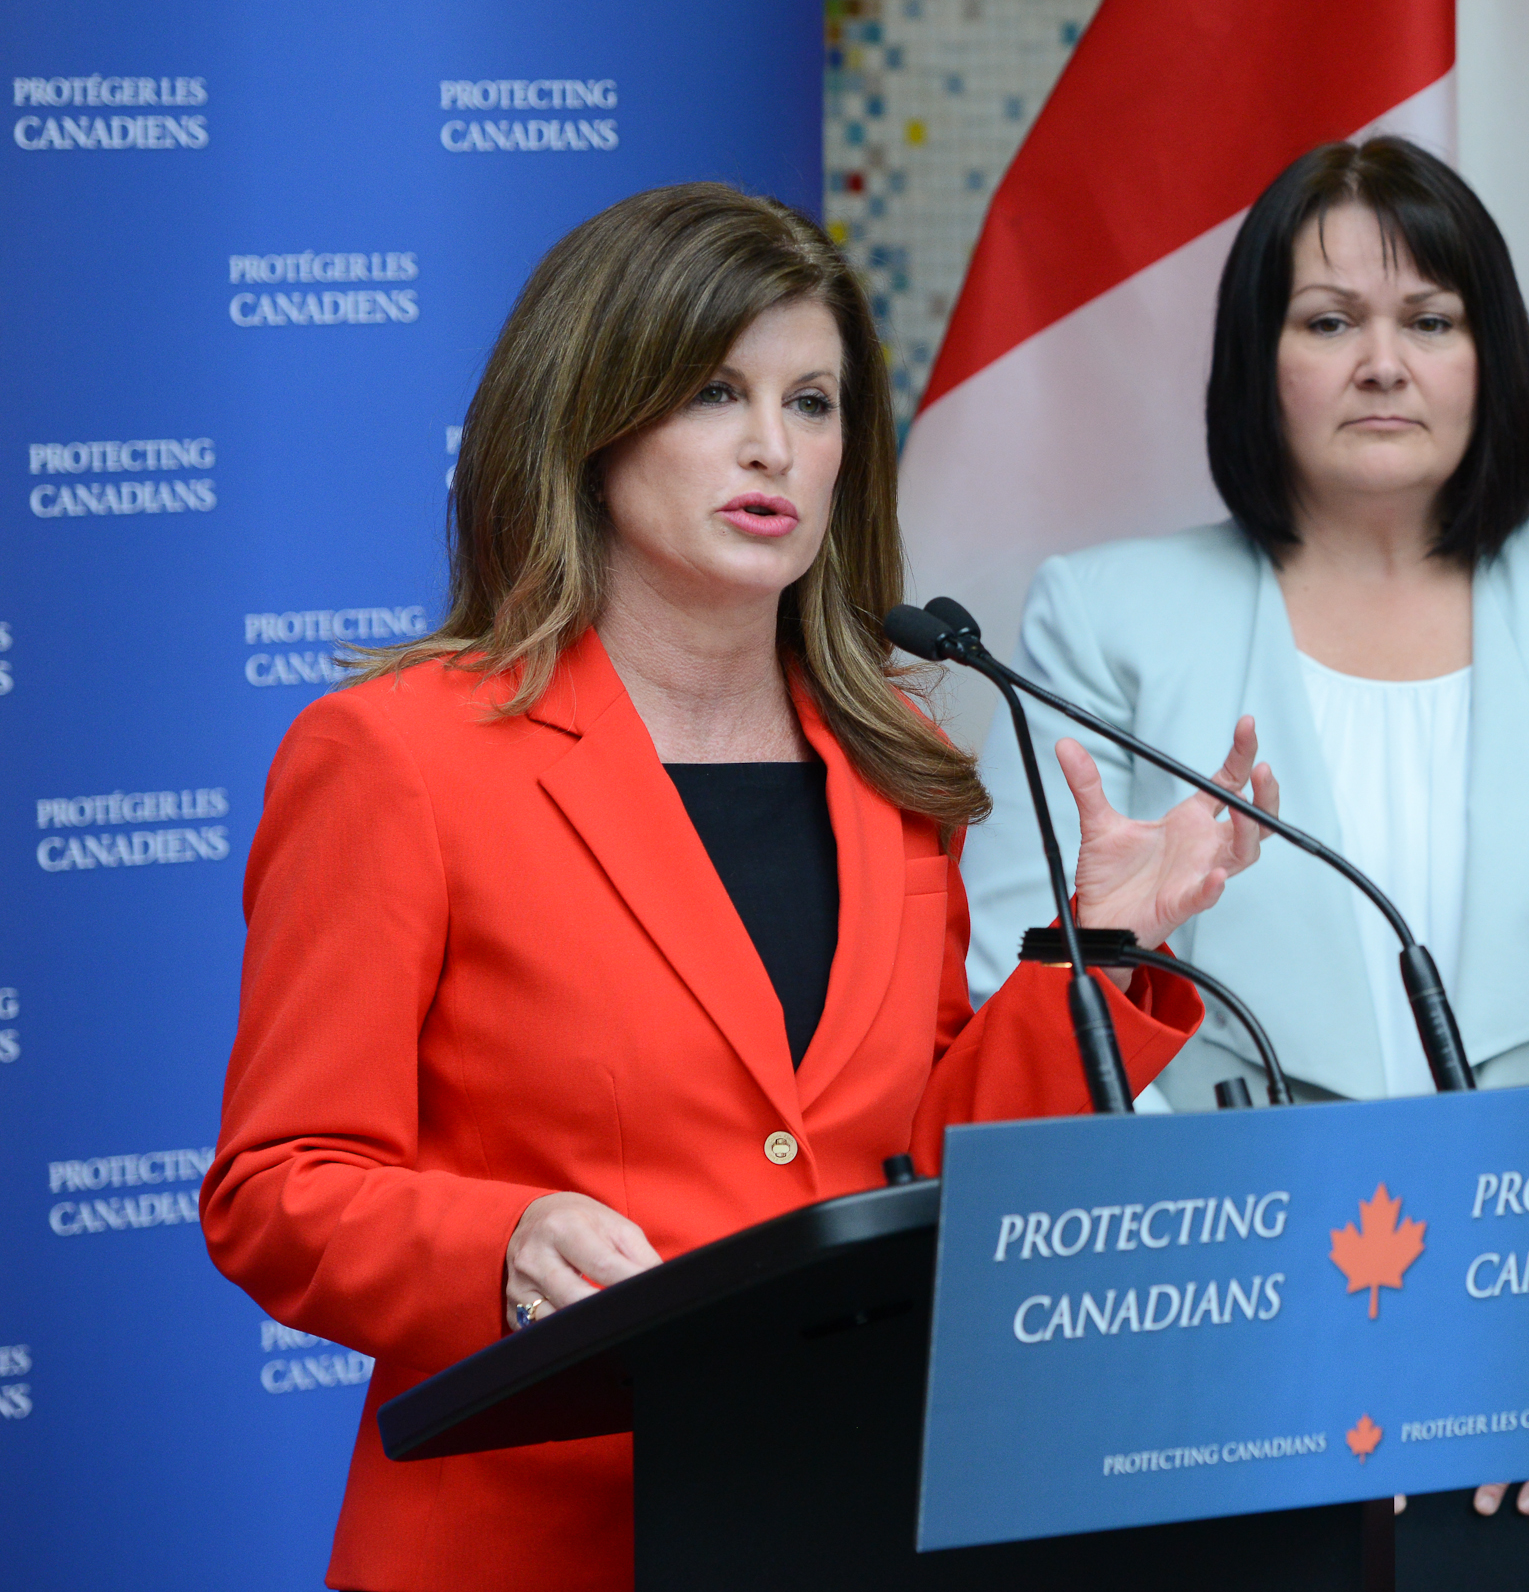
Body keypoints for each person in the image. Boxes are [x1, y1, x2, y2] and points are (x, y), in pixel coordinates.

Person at [202, 184, 1272, 1592]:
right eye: (717, 391)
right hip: (541, 1541)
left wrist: (1100, 950)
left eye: (815, 402)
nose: (774, 445)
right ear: (593, 414)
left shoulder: (897, 757)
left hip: (854, 1511)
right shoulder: (400, 756)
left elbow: (923, 1162)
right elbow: (280, 1186)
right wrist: (504, 1240)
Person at [968, 136, 1529, 1569]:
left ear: (1493, 357)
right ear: (1255, 358)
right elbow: (1021, 1001)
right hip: (1227, 1392)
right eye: (1327, 320)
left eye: (1431, 319)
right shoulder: (1098, 618)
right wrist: (1303, 1331)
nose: (1383, 362)